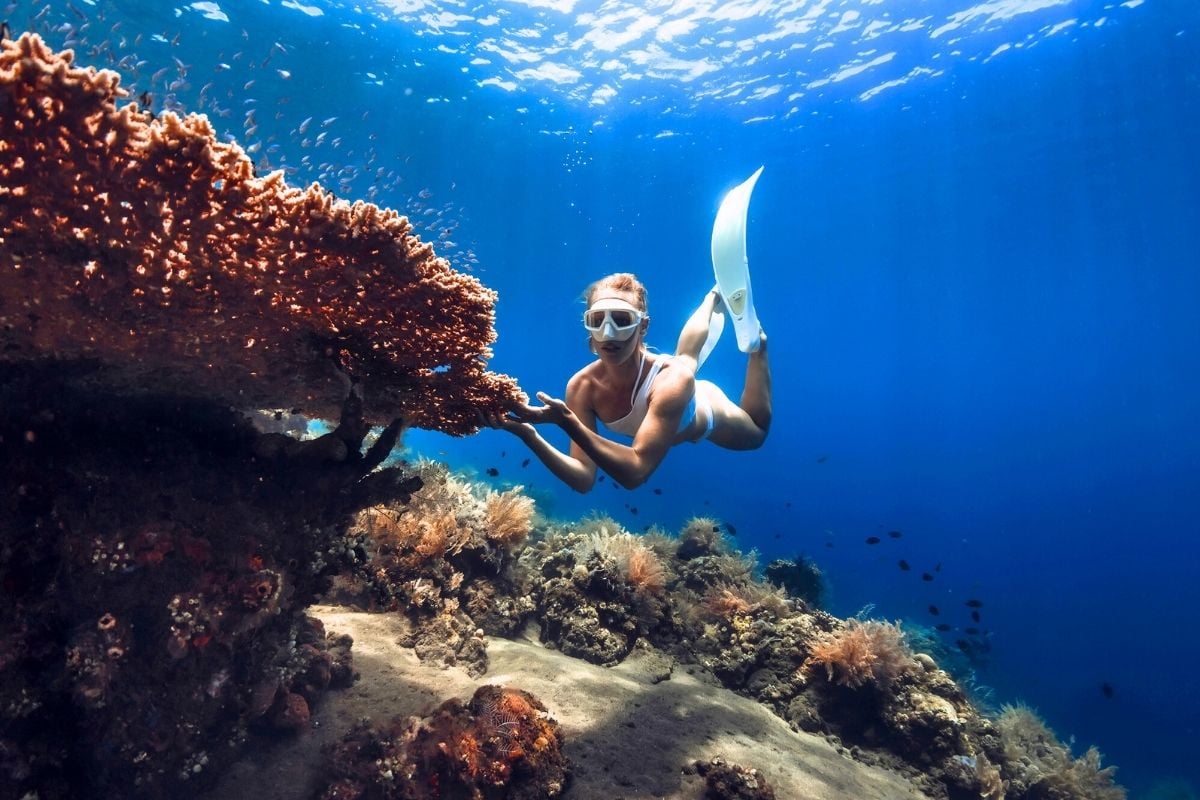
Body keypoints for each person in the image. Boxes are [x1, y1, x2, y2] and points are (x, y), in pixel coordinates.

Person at [483, 273, 771, 492]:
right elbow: (584, 479)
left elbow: (636, 472)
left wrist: (567, 422)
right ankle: (711, 299)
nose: (608, 333)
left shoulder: (674, 380)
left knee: (755, 433)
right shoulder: (582, 387)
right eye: (597, 320)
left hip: (704, 409)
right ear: (588, 325)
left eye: (622, 320)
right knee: (686, 356)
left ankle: (757, 346)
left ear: (642, 326)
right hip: (667, 387)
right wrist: (528, 435)